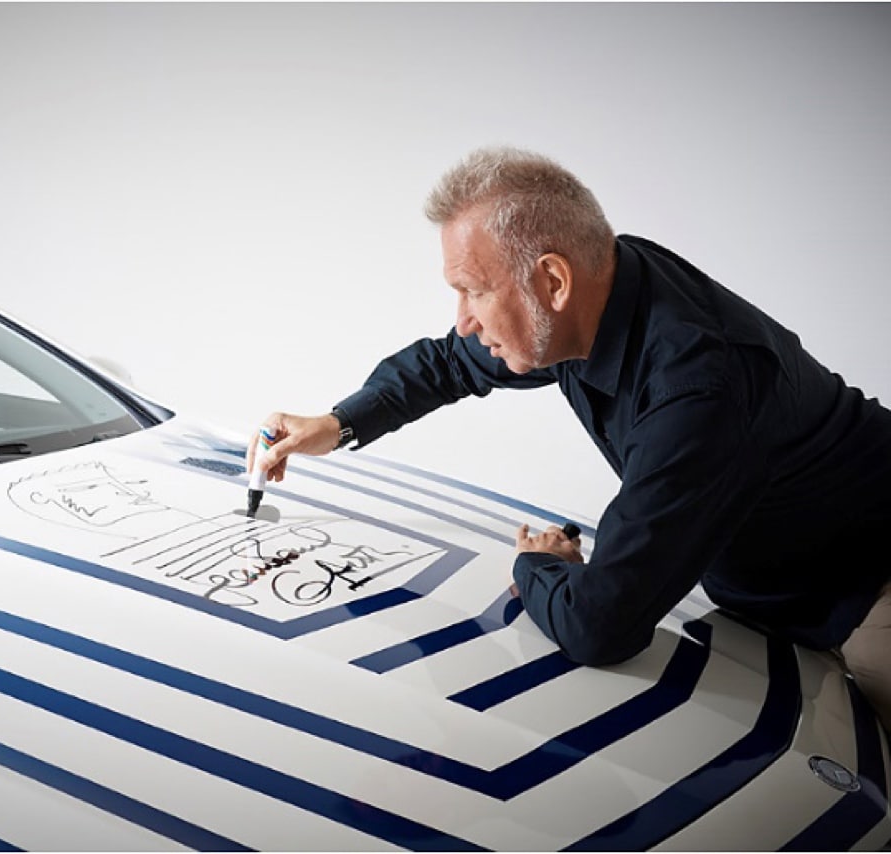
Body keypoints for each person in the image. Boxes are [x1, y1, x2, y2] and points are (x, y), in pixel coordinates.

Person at [250, 147, 891, 732]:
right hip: (759, 587)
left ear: (553, 282)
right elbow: (451, 362)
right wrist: (338, 423)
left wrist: (540, 566)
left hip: (870, 591)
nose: (464, 319)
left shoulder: (698, 387)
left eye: (474, 290)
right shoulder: (587, 296)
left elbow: (600, 627)